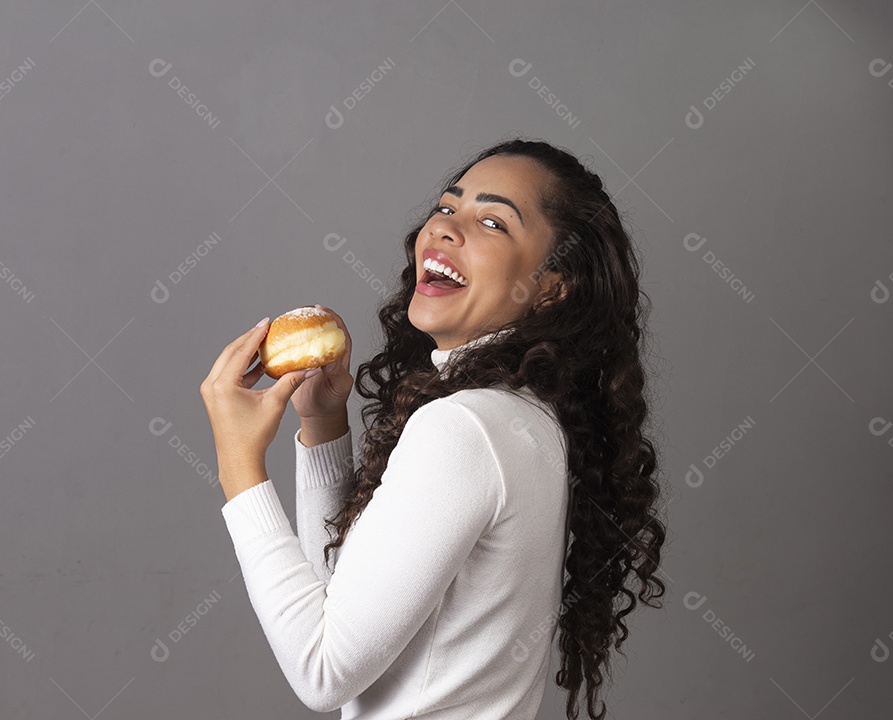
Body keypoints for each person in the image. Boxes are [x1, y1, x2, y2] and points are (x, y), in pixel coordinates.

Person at [200, 137, 668, 719]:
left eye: (493, 222)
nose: (444, 229)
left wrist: (238, 464)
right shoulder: (519, 417)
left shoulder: (463, 428)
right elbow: (346, 608)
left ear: (551, 285)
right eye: (447, 207)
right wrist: (322, 423)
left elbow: (322, 671)